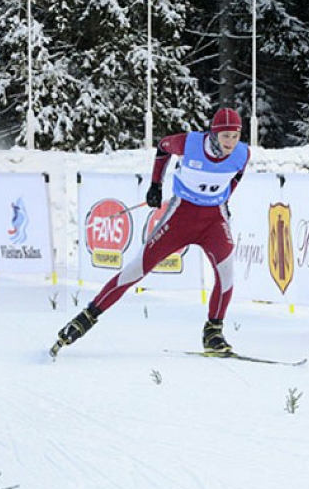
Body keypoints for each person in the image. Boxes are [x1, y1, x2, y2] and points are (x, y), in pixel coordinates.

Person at [50, 108, 251, 357]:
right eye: (225, 136)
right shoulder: (190, 144)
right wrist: (155, 185)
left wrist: (223, 197)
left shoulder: (243, 153)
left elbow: (236, 176)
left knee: (227, 275)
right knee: (136, 270)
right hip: (180, 217)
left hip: (214, 220)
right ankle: (86, 317)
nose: (230, 142)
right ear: (213, 133)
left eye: (235, 136)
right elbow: (163, 147)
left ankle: (213, 332)